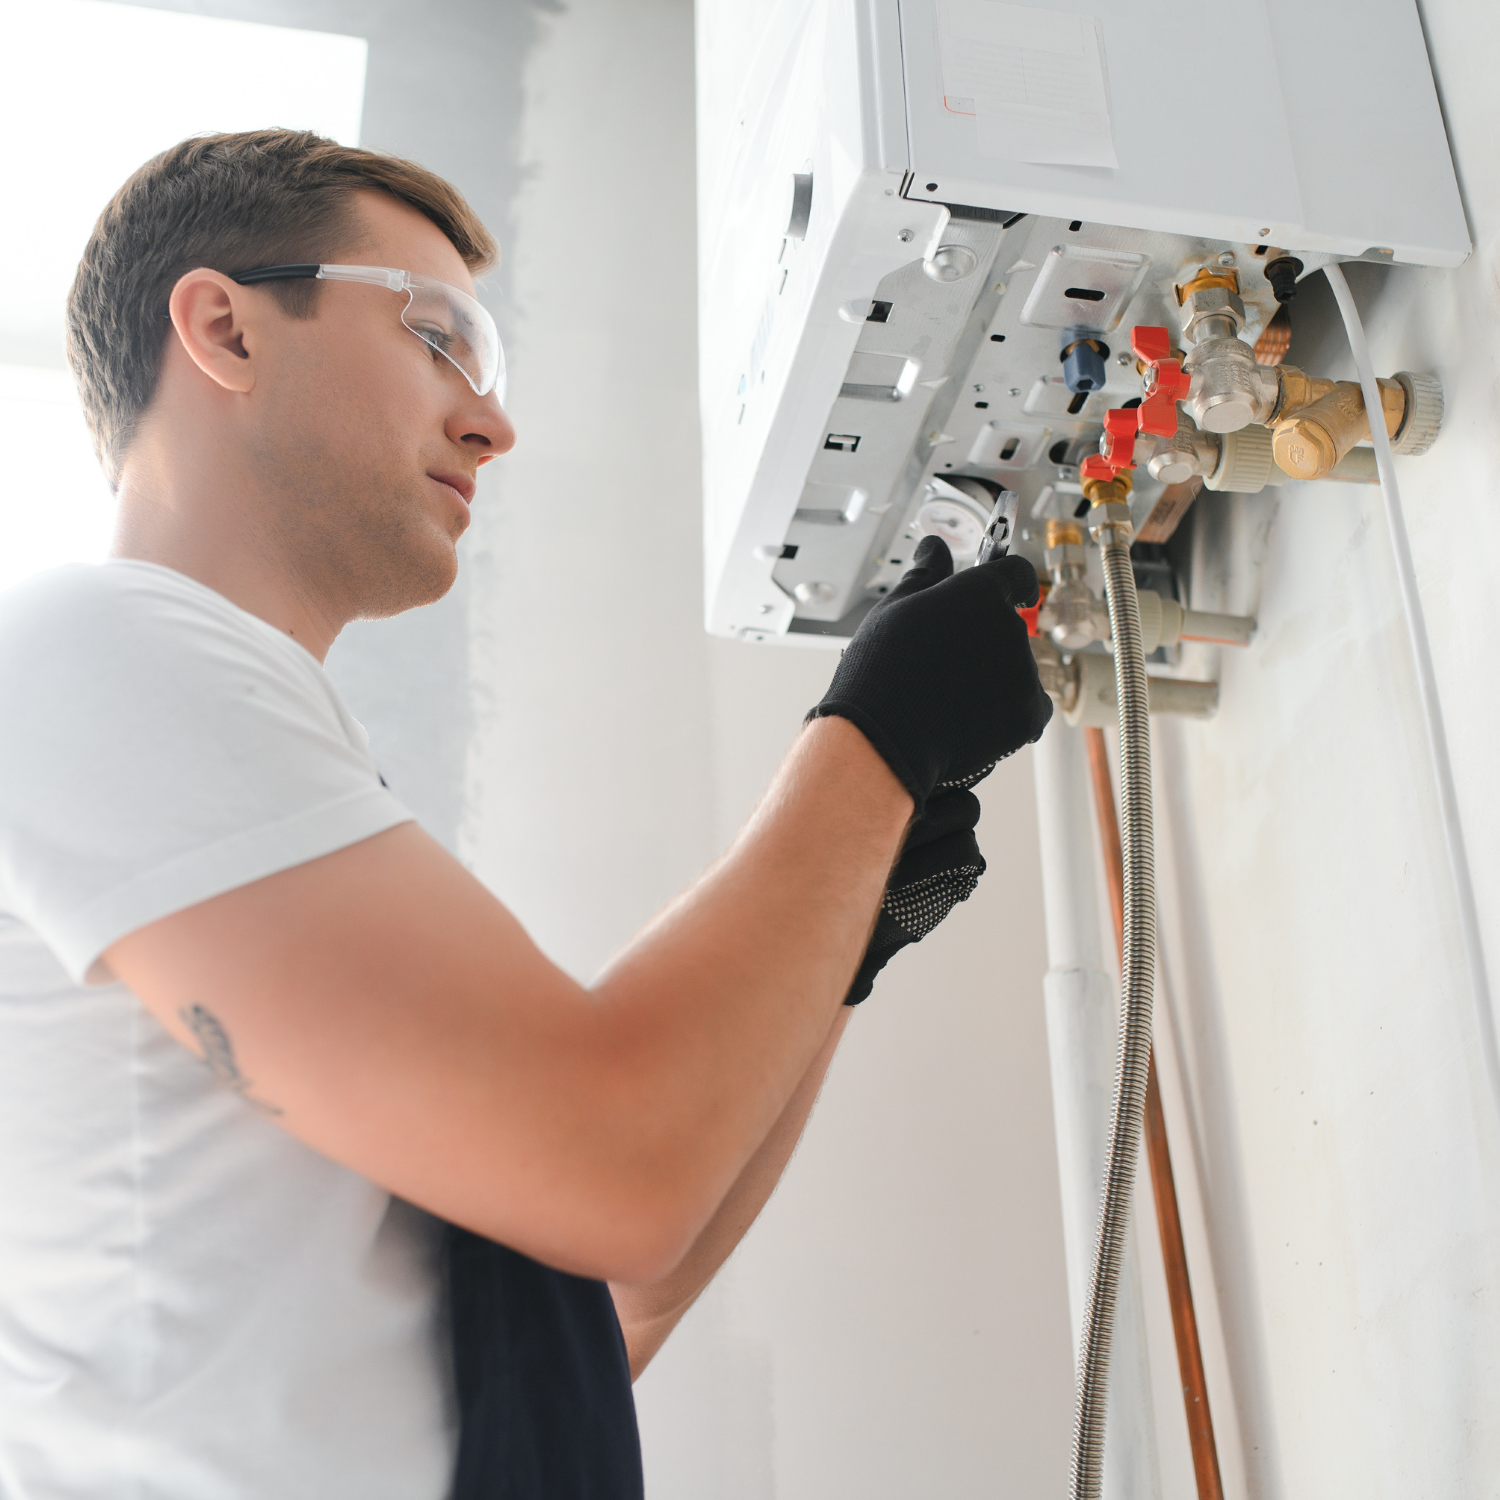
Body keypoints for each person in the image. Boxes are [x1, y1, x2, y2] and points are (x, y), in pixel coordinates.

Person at [0, 129, 1050, 1498]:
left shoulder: (241, 763)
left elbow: (612, 1289)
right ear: (225, 329)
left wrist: (848, 928)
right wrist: (875, 738)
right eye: (438, 339)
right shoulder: (89, 649)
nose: (492, 422)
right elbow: (620, 1171)